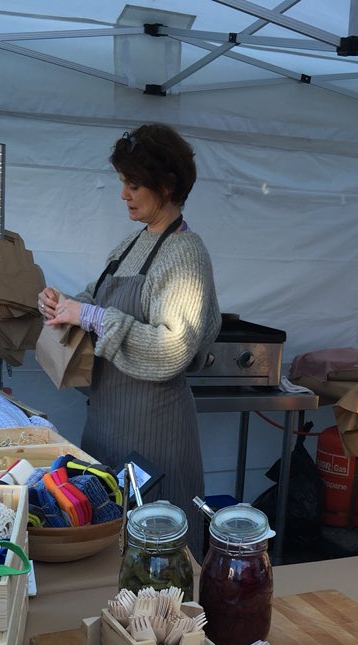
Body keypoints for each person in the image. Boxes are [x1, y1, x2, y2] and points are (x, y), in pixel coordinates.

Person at [38, 123, 221, 561]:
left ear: (167, 185)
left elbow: (172, 349)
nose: (123, 194)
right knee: (106, 546)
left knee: (156, 558)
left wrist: (90, 316)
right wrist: (63, 303)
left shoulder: (185, 253)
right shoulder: (131, 245)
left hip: (154, 437)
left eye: (133, 185)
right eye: (123, 182)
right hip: (105, 426)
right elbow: (96, 298)